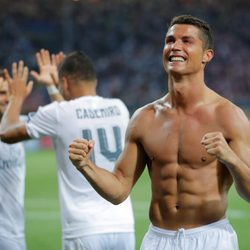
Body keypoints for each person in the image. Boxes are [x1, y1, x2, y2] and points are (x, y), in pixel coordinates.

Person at [68, 15, 250, 250]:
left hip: (211, 237)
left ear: (207, 55)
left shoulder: (228, 115)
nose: (175, 46)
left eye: (187, 41)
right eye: (170, 40)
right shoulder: (144, 118)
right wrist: (85, 165)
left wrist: (230, 158)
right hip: (158, 240)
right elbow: (119, 190)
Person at [0, 51, 135, 250]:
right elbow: (71, 117)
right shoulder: (120, 107)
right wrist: (52, 86)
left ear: (65, 82)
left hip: (83, 229)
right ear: (94, 79)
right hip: (123, 226)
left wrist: (17, 96)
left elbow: (6, 131)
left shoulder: (59, 114)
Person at [0, 68, 31, 250]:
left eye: (9, 93)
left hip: (14, 231)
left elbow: (62, 119)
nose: (7, 99)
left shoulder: (19, 124)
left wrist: (52, 87)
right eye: (2, 93)